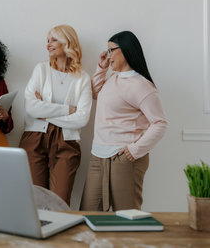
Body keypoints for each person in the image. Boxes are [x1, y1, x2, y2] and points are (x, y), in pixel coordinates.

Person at [81, 31, 168, 211]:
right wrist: (101, 68)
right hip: (98, 156)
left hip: (123, 157)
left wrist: (134, 150)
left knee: (126, 215)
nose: (108, 55)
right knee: (88, 213)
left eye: (111, 50)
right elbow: (95, 92)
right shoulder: (114, 79)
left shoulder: (142, 85)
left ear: (126, 50)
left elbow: (160, 123)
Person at [19, 24, 92, 205]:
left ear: (67, 42)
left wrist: (46, 112)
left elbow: (82, 118)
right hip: (35, 138)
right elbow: (32, 108)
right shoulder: (41, 69)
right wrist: (67, 109)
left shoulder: (82, 78)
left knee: (60, 203)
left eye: (53, 40)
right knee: (35, 201)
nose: (48, 44)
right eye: (47, 41)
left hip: (66, 142)